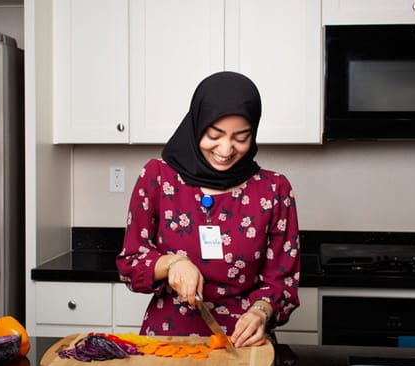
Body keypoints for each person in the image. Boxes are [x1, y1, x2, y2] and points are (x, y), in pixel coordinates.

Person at [116, 71, 300, 348]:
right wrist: (172, 263)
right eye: (214, 135)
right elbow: (130, 263)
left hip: (245, 344)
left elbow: (281, 281)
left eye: (241, 137)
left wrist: (261, 311)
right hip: (168, 339)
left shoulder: (275, 190)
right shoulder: (157, 177)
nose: (226, 149)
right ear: (196, 125)